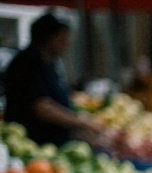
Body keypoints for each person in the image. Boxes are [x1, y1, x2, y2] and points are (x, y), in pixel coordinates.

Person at [2, 12, 98, 145]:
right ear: (49, 38)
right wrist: (80, 122)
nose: (67, 44)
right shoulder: (27, 63)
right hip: (34, 144)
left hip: (54, 142)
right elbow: (42, 108)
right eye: (63, 38)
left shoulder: (47, 62)